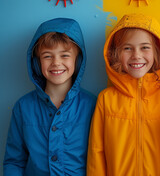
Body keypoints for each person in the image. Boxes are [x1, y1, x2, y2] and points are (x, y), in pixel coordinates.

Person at [3, 18, 96, 175]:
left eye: (65, 55)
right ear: (37, 62)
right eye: (47, 56)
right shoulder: (23, 107)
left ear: (78, 60)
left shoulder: (93, 105)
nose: (56, 63)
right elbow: (14, 161)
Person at [87, 14, 160, 175]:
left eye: (145, 47)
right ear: (115, 54)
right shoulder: (106, 99)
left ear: (157, 52)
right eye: (127, 48)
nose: (136, 55)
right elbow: (96, 151)